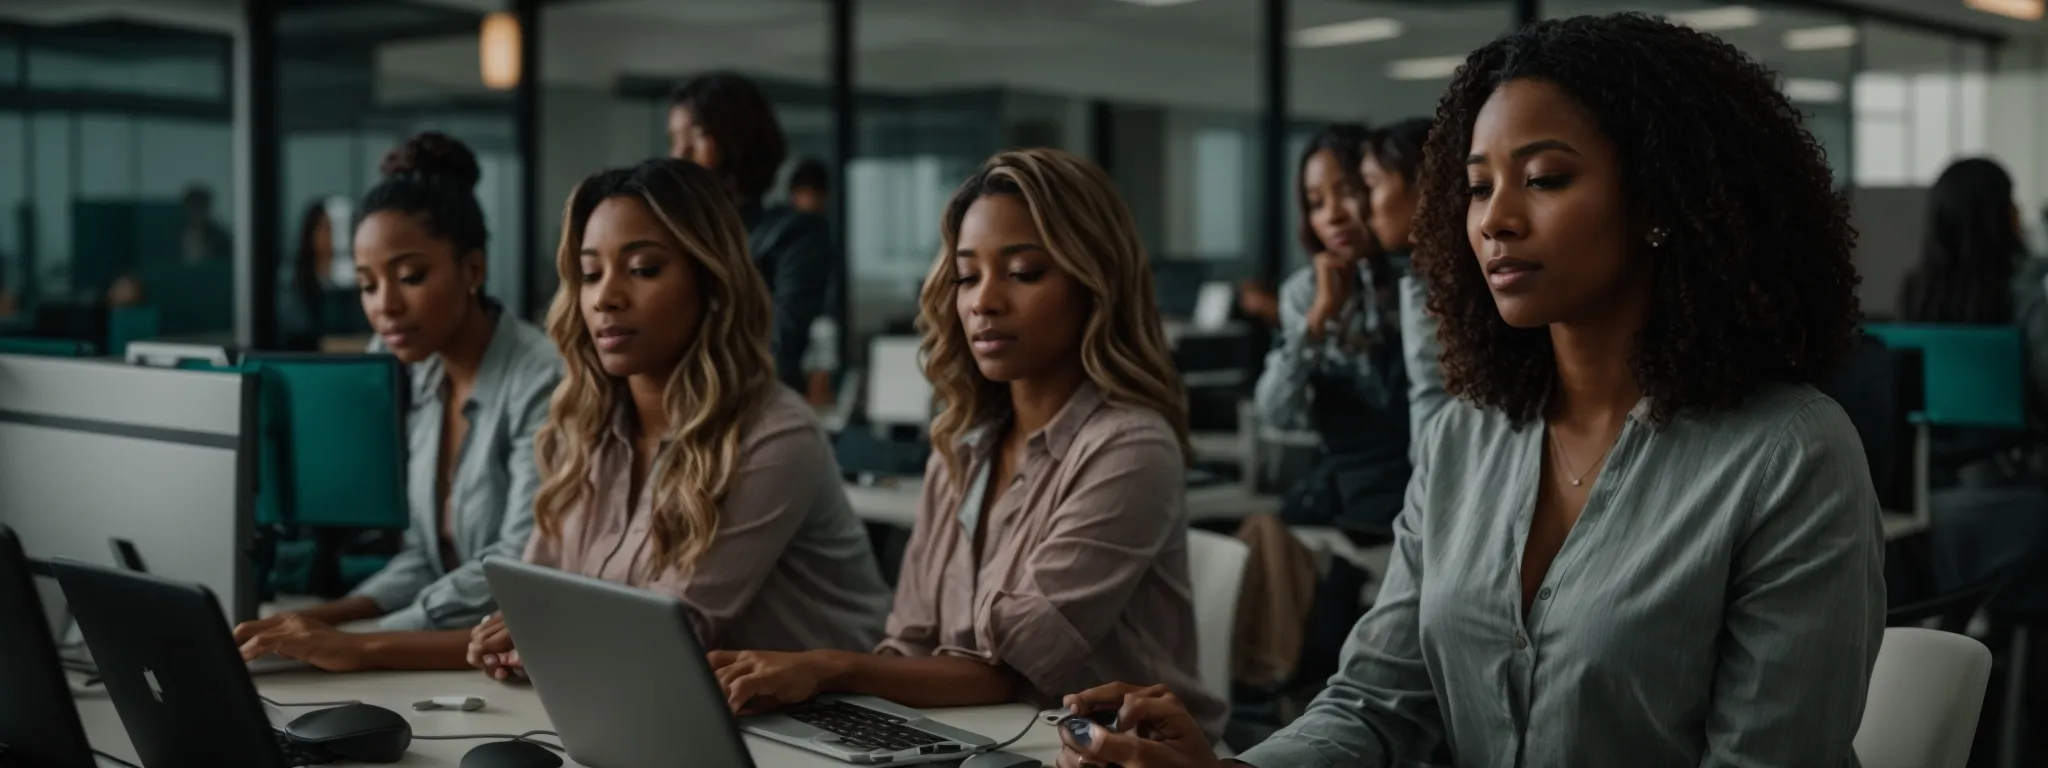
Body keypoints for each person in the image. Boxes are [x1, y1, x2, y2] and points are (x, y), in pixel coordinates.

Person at [1057, 14, 1883, 768]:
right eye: (1480, 186)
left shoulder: (1790, 455)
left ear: (1661, 204)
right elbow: (1379, 706)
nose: (1495, 220)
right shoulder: (1466, 437)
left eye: (1546, 179)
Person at [706, 148, 1227, 739]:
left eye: (1024, 273)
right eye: (966, 275)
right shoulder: (962, 445)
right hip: (981, 742)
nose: (984, 301)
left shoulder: (1131, 448)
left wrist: (825, 669)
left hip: (1116, 755)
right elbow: (910, 644)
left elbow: (1008, 673)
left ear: (1094, 283)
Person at [462, 158, 891, 679]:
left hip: (822, 730)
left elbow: (674, 632)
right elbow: (539, 598)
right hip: (652, 707)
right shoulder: (587, 424)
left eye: (642, 269)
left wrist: (542, 636)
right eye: (589, 273)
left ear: (710, 284)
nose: (605, 297)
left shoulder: (773, 434)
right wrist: (512, 633)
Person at [232, 132, 563, 671]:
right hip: (448, 652)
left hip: (511, 662)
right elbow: (424, 558)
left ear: (473, 270)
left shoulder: (543, 380)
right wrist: (326, 619)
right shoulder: (420, 374)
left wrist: (364, 638)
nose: (384, 306)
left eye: (410, 277)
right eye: (366, 284)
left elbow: (516, 568)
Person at [1253, 124, 1411, 533]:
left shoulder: (1418, 279)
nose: (1333, 214)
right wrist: (1316, 324)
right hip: (1345, 487)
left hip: (1414, 488)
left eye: (1346, 191)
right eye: (1316, 202)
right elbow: (1276, 413)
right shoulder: (1305, 290)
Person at [669, 72, 830, 393]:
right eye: (674, 139)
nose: (680, 153)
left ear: (735, 140)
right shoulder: (674, 235)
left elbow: (779, 349)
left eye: (697, 136)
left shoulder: (795, 233)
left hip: (754, 413)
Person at [1899, 158, 2048, 427]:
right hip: (2017, 461)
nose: (2019, 210)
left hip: (1930, 460)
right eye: (2011, 200)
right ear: (1996, 216)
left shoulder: (1916, 291)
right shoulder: (2024, 292)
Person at [282, 200, 337, 348]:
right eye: (326, 228)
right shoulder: (292, 277)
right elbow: (299, 329)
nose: (332, 236)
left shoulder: (339, 274)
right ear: (310, 232)